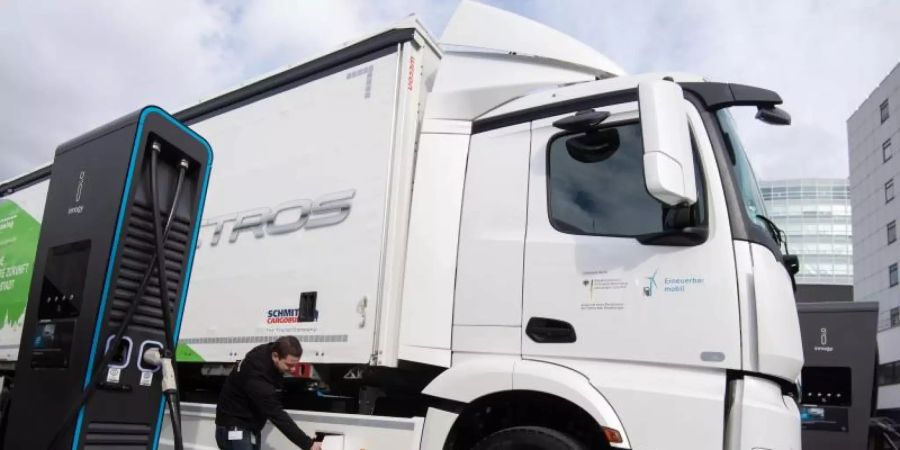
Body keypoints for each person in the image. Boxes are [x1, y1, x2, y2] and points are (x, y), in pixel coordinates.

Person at [215, 336, 322, 450]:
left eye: (294, 365)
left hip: (246, 426)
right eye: (289, 365)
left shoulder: (269, 352)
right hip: (235, 429)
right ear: (275, 356)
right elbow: (276, 413)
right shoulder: (257, 374)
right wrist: (308, 444)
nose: (292, 369)